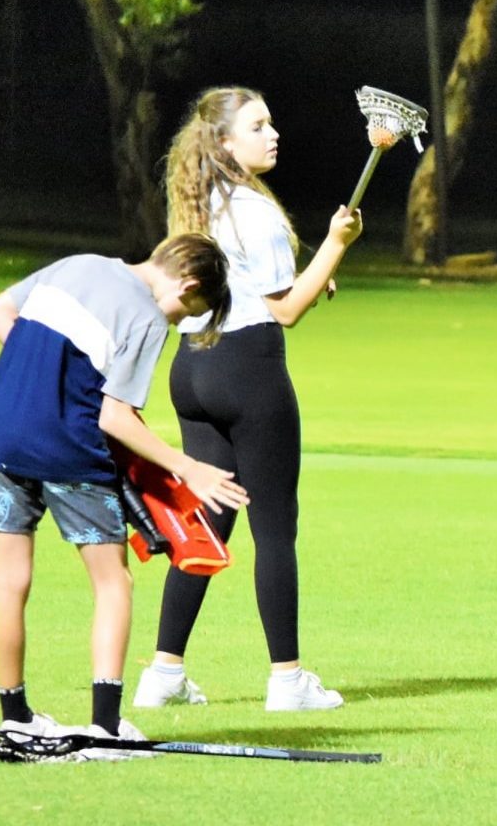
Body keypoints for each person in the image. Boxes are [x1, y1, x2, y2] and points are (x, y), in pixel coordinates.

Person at [0, 234, 247, 754]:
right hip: (69, 449)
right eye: (186, 310)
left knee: (9, 579)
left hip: (1, 433)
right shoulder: (143, 315)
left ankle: (15, 716)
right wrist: (189, 469)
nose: (175, 320)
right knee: (113, 581)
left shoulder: (79, 263)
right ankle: (106, 725)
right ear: (185, 283)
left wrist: (45, 377)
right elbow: (114, 417)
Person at [134, 87, 363, 713]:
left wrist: (317, 272)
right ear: (226, 143)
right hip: (249, 373)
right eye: (258, 126)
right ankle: (287, 681)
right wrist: (337, 243)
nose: (273, 133)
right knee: (274, 527)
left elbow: (261, 287)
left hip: (192, 373)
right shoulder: (258, 214)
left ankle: (163, 673)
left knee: (205, 523)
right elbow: (285, 310)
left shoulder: (199, 204)